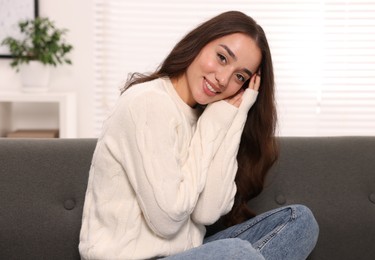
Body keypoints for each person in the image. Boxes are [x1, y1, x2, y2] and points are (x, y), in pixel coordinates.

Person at [79, 10, 319, 260]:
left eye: (240, 77)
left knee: (300, 222)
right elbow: (167, 219)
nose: (223, 79)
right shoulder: (148, 103)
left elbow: (207, 212)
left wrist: (234, 116)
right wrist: (212, 126)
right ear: (199, 43)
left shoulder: (209, 117)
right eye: (222, 57)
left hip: (189, 254)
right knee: (236, 253)